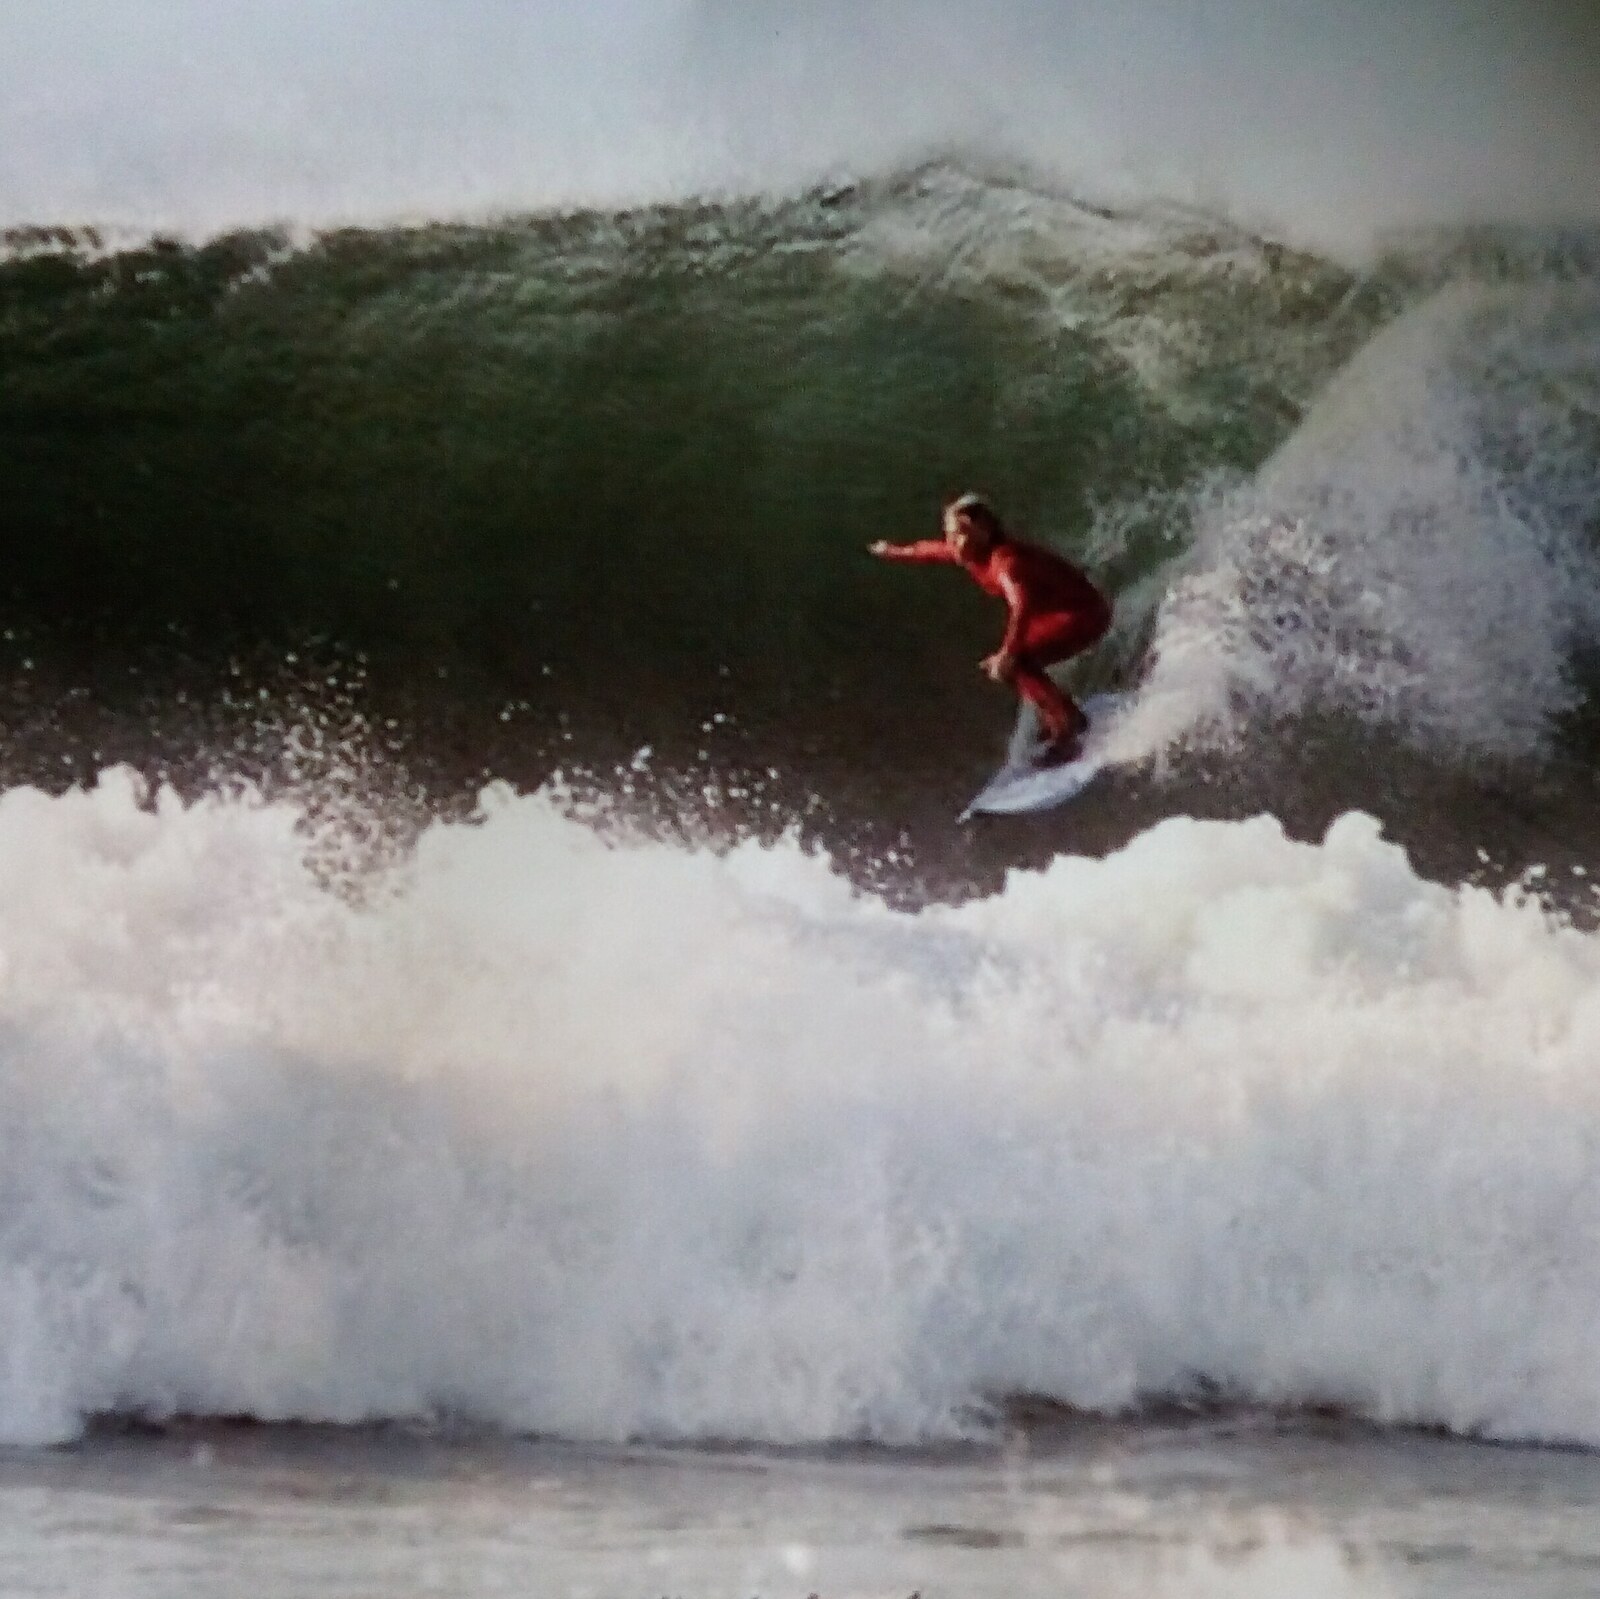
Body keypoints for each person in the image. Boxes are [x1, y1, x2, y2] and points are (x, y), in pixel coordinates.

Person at [870, 493, 1112, 758]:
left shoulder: (1005, 562)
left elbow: (1021, 605)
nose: (952, 543)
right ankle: (1059, 715)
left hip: (1083, 614)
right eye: (949, 535)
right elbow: (929, 550)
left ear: (983, 531)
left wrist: (1007, 653)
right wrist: (891, 551)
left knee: (1016, 661)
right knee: (1013, 663)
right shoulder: (971, 553)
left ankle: (1068, 727)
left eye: (959, 534)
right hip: (1057, 613)